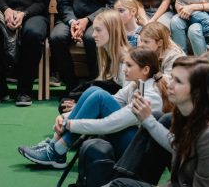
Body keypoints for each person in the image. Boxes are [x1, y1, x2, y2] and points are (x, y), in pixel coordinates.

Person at [108, 56, 209, 187]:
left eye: (178, 81)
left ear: (197, 90)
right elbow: (175, 183)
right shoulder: (182, 118)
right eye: (172, 78)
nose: (169, 85)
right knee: (118, 186)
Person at [18, 40, 164, 167]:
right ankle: (54, 145)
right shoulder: (134, 86)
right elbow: (110, 103)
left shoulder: (150, 96)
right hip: (132, 143)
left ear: (145, 70)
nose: (125, 69)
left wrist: (70, 124)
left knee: (100, 96)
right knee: (94, 90)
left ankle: (57, 151)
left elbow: (110, 124)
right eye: (125, 64)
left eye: (129, 65)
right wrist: (64, 117)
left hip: (140, 155)